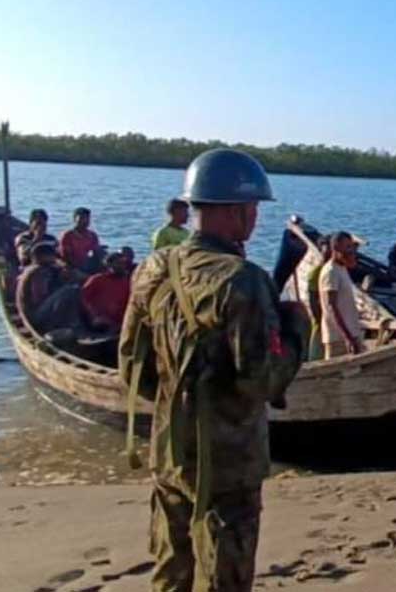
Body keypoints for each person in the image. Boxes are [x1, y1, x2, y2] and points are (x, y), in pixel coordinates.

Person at [118, 148, 310, 592]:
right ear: (240, 212)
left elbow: (133, 369)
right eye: (254, 209)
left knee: (171, 575)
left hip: (168, 455)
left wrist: (180, 401)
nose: (255, 219)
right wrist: (298, 328)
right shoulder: (242, 280)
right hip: (228, 466)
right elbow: (264, 379)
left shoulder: (152, 269)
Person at [15, 241, 81, 334]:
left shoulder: (31, 269)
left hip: (33, 312)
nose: (55, 258)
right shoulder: (39, 272)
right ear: (42, 256)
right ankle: (72, 324)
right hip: (35, 315)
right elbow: (40, 297)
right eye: (52, 255)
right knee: (71, 289)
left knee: (67, 289)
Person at [319, 231, 364, 358]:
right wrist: (347, 337)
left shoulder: (341, 268)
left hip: (352, 332)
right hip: (338, 338)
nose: (351, 252)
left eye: (352, 248)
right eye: (347, 248)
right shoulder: (331, 272)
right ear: (336, 249)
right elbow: (331, 307)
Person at [80, 251, 132, 332]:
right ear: (109, 265)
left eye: (123, 263)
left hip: (120, 321)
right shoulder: (97, 279)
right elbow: (83, 299)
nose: (122, 266)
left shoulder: (128, 282)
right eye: (118, 263)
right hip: (100, 320)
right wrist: (94, 315)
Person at [59, 206, 102, 274]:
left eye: (87, 219)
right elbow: (66, 256)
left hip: (88, 265)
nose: (84, 221)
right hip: (72, 267)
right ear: (75, 219)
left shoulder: (92, 235)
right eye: (82, 218)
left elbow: (96, 252)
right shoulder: (68, 236)